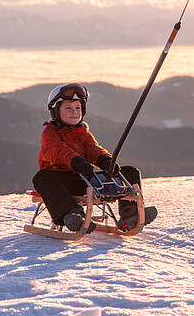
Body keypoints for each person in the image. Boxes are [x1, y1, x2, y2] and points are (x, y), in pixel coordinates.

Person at [31, 83, 145, 232]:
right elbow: (57, 150)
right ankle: (73, 215)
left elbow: (92, 148)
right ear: (56, 111)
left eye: (78, 108)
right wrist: (76, 161)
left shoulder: (82, 131)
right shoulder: (50, 132)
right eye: (68, 108)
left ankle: (131, 215)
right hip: (64, 181)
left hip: (87, 177)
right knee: (42, 178)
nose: (74, 112)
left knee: (130, 172)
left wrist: (105, 160)